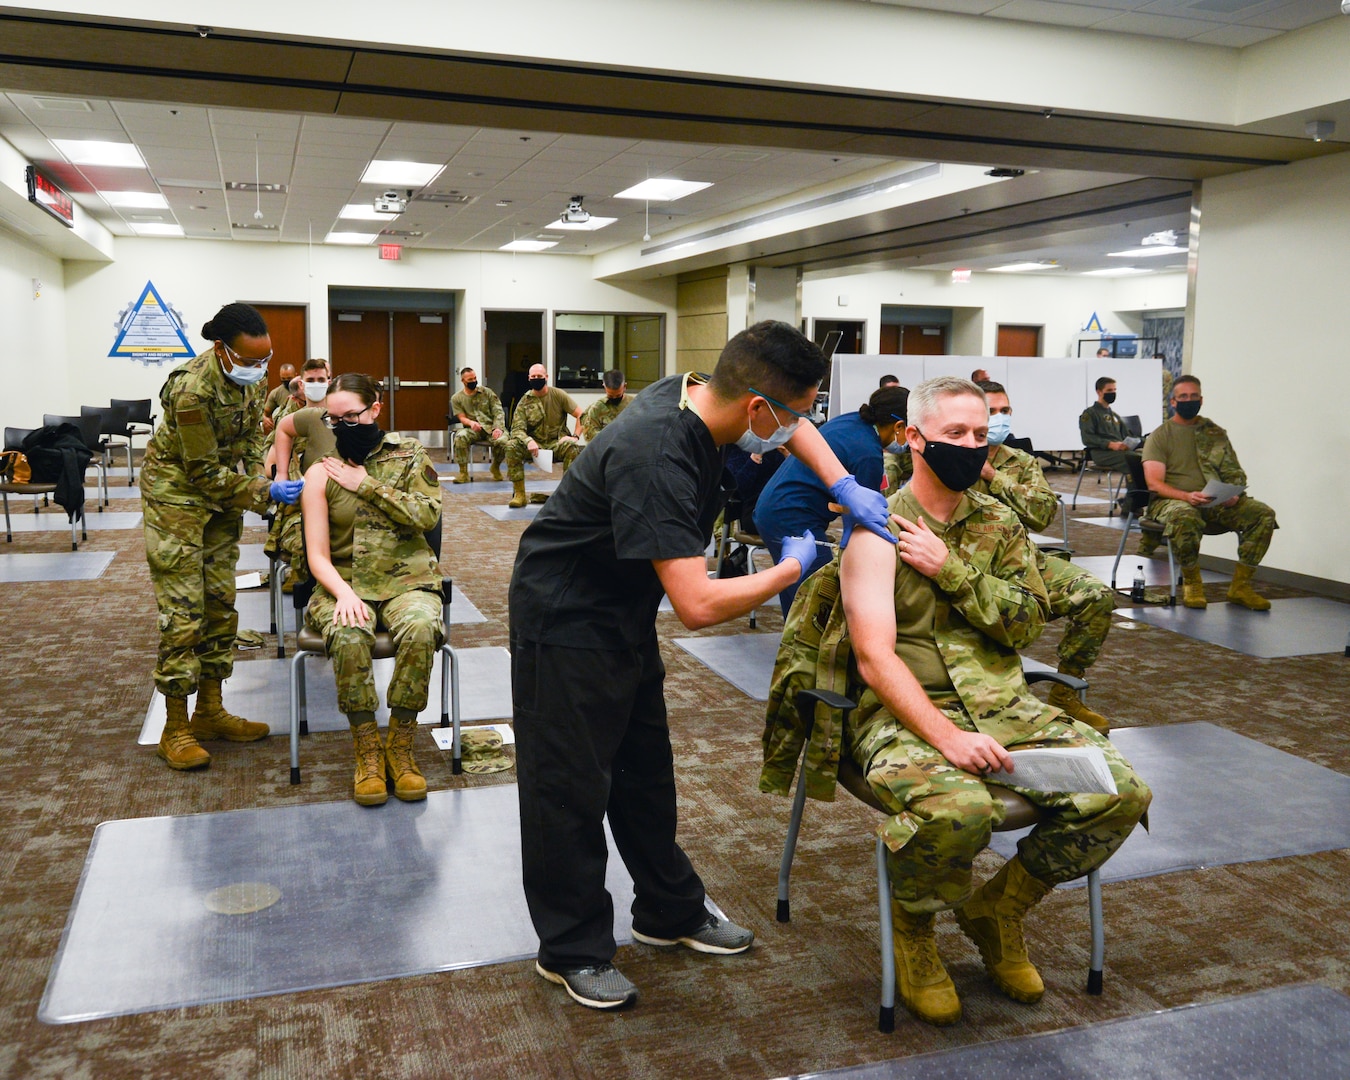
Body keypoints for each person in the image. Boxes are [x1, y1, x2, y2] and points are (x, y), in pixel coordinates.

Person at [509, 320, 895, 1011]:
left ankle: (668, 911)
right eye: (793, 415)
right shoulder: (657, 453)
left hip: (621, 606)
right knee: (568, 787)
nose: (799, 430)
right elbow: (697, 605)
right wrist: (791, 568)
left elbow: (795, 425)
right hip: (564, 617)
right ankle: (570, 949)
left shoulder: (704, 391)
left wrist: (844, 482)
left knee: (643, 771)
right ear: (755, 409)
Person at [763, 375, 1150, 1026]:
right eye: (956, 435)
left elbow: (1027, 623)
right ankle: (913, 931)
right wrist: (947, 738)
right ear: (914, 439)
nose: (973, 446)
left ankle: (998, 909)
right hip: (898, 716)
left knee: (1122, 793)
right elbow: (874, 658)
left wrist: (954, 571)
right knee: (959, 808)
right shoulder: (876, 528)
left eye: (980, 434)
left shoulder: (998, 525)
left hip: (1003, 704)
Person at [140, 302, 304, 770]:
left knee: (219, 600)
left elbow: (253, 437)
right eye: (251, 361)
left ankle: (209, 710)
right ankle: (175, 727)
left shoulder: (250, 383)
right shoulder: (192, 391)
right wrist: (262, 490)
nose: (260, 369)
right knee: (184, 610)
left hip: (221, 499)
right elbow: (202, 471)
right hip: (177, 497)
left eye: (265, 360)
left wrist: (265, 468)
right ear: (221, 350)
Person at [300, 373, 445, 805]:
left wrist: (364, 484)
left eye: (352, 416)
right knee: (348, 634)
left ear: (375, 410)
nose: (342, 426)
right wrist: (344, 593)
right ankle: (366, 747)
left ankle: (400, 745)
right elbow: (317, 555)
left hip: (407, 581)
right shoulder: (319, 473)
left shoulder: (410, 455)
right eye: (333, 419)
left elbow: (426, 516)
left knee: (420, 628)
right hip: (341, 583)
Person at [974, 381, 1114, 732]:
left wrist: (994, 477)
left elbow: (1042, 513)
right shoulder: (948, 454)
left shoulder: (1019, 461)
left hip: (1022, 561)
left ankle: (1066, 692)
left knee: (1095, 595)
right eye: (991, 411)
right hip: (969, 564)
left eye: (1005, 411)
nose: (1000, 418)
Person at [754, 384, 908, 614]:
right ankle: (805, 649)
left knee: (798, 596)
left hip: (773, 506)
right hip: (792, 515)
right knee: (816, 599)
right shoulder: (868, 454)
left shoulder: (851, 421)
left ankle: (793, 647)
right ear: (899, 426)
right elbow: (864, 520)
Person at [1141, 374, 1277, 610]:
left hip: (1214, 502)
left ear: (1201, 400)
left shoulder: (1214, 433)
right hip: (1172, 501)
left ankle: (1240, 586)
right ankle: (1192, 583)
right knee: (1185, 516)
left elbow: (1234, 471)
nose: (1189, 400)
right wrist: (1187, 496)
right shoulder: (1160, 435)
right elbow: (1154, 483)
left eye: (1194, 396)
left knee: (1263, 514)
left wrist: (1232, 494)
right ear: (1173, 402)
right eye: (1183, 396)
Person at [504, 363, 584, 508]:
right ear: (529, 378)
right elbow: (516, 429)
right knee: (511, 445)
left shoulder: (558, 395)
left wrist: (575, 436)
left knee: (572, 447)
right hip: (534, 446)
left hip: (556, 443)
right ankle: (519, 494)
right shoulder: (525, 401)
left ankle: (567, 495)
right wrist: (528, 441)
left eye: (539, 376)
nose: (536, 379)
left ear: (546, 377)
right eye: (533, 377)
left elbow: (582, 416)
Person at [1079, 376, 1147, 514]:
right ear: (1099, 391)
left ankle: (1135, 501)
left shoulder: (1114, 415)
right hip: (1101, 452)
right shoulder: (1090, 414)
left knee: (1146, 458)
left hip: (1119, 451)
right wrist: (1110, 444)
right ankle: (1131, 506)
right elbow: (1088, 438)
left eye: (1115, 390)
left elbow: (1127, 436)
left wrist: (1145, 441)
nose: (1113, 393)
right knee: (1132, 461)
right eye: (1109, 390)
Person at [449, 366, 506, 484]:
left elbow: (498, 411)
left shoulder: (487, 393)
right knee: (460, 437)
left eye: (475, 378)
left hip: (491, 427)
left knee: (503, 441)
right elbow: (462, 417)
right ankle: (463, 473)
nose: (474, 381)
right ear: (463, 381)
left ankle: (495, 466)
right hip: (473, 429)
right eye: (470, 380)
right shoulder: (456, 398)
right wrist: (471, 423)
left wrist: (498, 428)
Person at [580, 369, 633, 441]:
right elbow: (592, 439)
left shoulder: (635, 404)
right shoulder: (597, 408)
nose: (614, 398)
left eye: (618, 395)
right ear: (604, 387)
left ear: (624, 386)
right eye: (610, 396)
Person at [261, 362, 298, 434]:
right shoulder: (276, 393)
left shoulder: (303, 390)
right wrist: (265, 419)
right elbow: (265, 413)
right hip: (284, 429)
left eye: (289, 378)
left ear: (295, 375)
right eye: (283, 379)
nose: (286, 381)